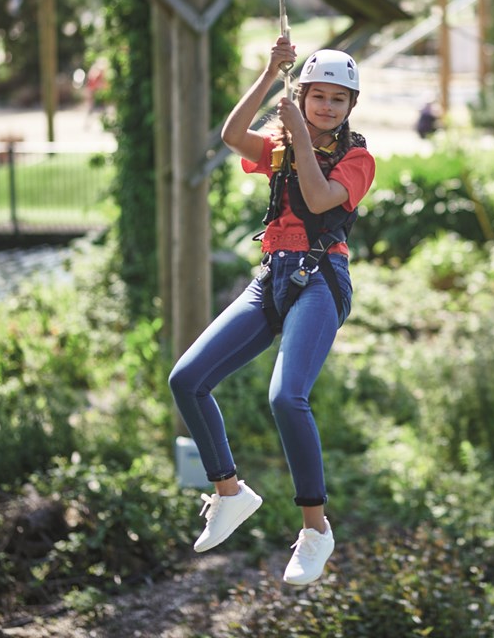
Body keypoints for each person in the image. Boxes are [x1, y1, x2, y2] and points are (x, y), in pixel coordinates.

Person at [167, 37, 374, 586]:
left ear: (350, 107)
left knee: (286, 396)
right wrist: (267, 74)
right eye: (317, 96)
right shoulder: (283, 144)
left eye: (338, 100)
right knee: (186, 379)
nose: (327, 107)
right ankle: (230, 492)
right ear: (302, 96)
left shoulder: (357, 159)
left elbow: (320, 195)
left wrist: (299, 138)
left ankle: (315, 530)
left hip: (321, 280)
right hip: (273, 278)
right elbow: (232, 135)